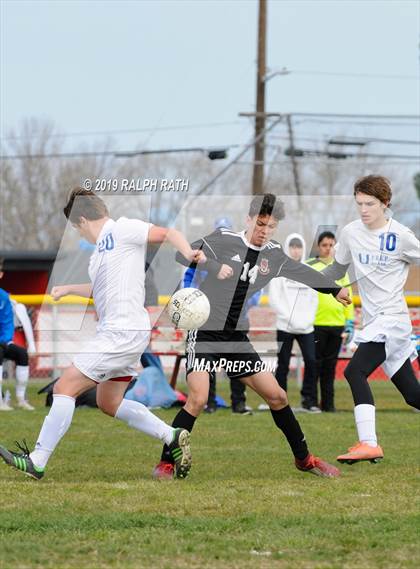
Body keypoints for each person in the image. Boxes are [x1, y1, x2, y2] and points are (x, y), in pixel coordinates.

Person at [0, 187, 206, 480]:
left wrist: (188, 252)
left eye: (76, 228)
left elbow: (168, 233)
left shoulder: (123, 229)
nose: (79, 234)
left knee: (64, 387)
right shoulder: (98, 255)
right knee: (108, 403)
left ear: (82, 220)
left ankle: (37, 460)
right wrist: (69, 289)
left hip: (121, 332)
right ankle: (171, 435)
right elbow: (99, 290)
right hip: (126, 333)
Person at [153, 193, 352, 480]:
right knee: (197, 399)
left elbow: (303, 273)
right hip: (206, 333)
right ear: (248, 219)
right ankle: (166, 463)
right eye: (260, 224)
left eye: (270, 226)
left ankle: (304, 459)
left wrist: (335, 289)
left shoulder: (273, 254)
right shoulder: (223, 239)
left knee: (278, 396)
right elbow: (182, 253)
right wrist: (210, 265)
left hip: (236, 338)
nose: (264, 231)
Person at [321, 175, 420, 464]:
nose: (364, 209)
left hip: (392, 321)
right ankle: (368, 443)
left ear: (385, 204)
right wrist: (308, 278)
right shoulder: (351, 233)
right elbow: (336, 270)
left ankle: (369, 443)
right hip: (376, 322)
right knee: (413, 395)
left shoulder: (401, 236)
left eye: (370, 204)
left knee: (354, 372)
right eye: (360, 203)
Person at [184, 217, 255, 415]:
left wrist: (247, 301)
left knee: (238, 362)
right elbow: (189, 280)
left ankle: (238, 403)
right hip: (206, 317)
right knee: (206, 363)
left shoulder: (242, 256)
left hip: (236, 318)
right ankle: (210, 402)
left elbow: (254, 288)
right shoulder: (203, 256)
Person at [268, 234, 319, 412]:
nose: (295, 250)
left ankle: (309, 401)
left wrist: (306, 320)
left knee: (311, 362)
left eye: (298, 247)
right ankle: (280, 401)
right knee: (283, 364)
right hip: (285, 326)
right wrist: (288, 317)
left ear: (303, 249)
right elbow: (274, 300)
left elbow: (314, 299)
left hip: (306, 327)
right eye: (292, 247)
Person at [306, 232, 354, 412]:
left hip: (337, 325)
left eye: (331, 245)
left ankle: (328, 405)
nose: (328, 248)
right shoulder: (312, 267)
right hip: (316, 324)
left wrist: (349, 322)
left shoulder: (341, 270)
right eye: (324, 245)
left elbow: (348, 296)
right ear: (319, 247)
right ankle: (311, 403)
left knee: (330, 367)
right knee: (315, 366)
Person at [0, 260, 35, 411]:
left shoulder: (4, 297)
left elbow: (7, 323)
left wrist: (6, 341)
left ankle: (21, 399)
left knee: (21, 354)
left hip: (2, 341)